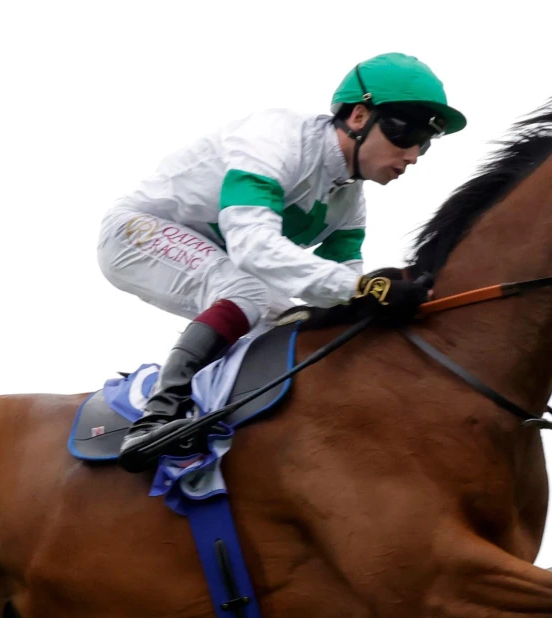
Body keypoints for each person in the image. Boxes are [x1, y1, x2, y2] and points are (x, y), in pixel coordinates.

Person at [101, 53, 466, 469]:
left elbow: (339, 291)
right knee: (248, 293)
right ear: (360, 116)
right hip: (137, 232)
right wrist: (362, 290)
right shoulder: (276, 139)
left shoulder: (349, 203)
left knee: (292, 324)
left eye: (426, 142)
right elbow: (252, 246)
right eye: (408, 133)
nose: (415, 154)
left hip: (219, 257)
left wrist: (379, 298)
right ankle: (157, 416)